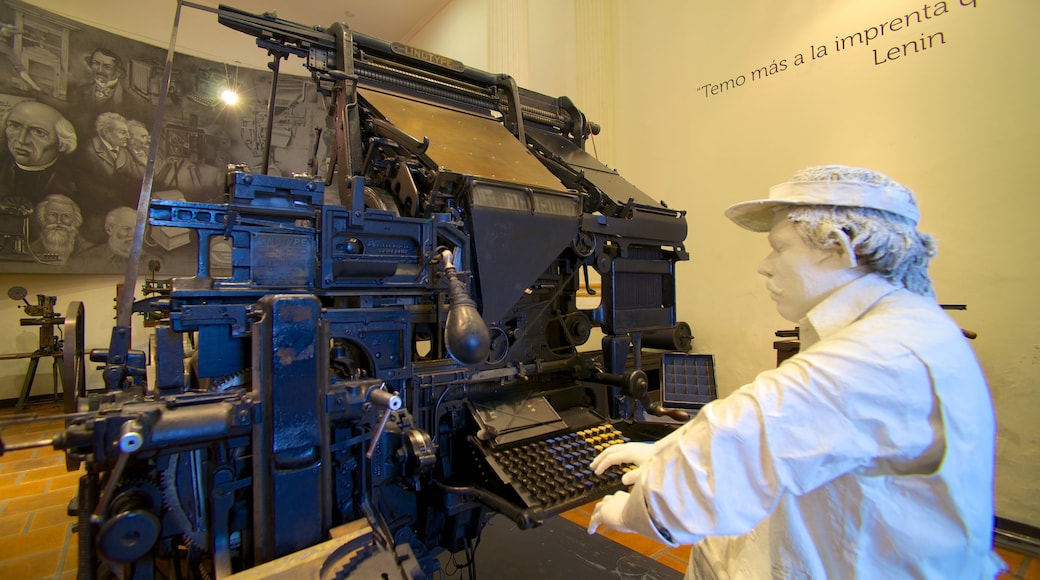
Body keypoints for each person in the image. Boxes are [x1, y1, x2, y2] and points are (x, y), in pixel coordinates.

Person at [587, 165, 1003, 578]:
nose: (765, 267)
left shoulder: (880, 354)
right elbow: (787, 436)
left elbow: (751, 430)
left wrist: (629, 509)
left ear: (840, 247)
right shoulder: (904, 324)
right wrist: (668, 451)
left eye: (779, 248)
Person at [29, 193, 92, 264]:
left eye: (66, 216)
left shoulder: (88, 250)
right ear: (43, 218)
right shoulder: (32, 249)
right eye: (53, 215)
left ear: (74, 221)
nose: (59, 221)